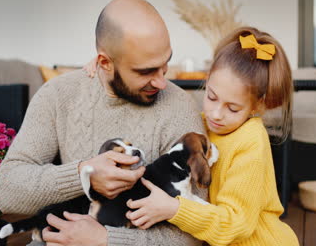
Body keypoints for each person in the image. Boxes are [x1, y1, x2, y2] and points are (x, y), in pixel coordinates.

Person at [0, 0, 206, 246]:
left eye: (165, 64)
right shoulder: (58, 94)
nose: (162, 82)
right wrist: (84, 176)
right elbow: (8, 191)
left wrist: (107, 239)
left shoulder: (179, 106)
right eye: (146, 71)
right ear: (105, 62)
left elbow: (192, 236)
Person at [123, 27, 300, 245]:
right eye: (211, 96)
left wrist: (173, 209)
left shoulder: (251, 141)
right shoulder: (201, 123)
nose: (216, 114)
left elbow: (236, 225)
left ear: (257, 106)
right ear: (207, 81)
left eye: (233, 108)